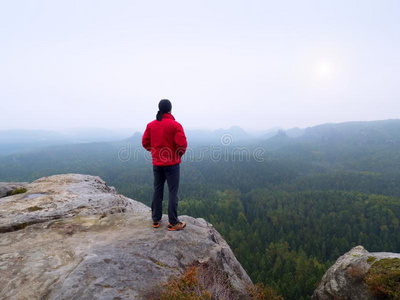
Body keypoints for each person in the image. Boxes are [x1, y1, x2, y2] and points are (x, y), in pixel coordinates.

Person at [142, 99, 188, 231]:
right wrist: (177, 155)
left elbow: (145, 142)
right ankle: (173, 222)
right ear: (170, 110)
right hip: (172, 164)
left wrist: (155, 152)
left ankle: (156, 219)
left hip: (157, 164)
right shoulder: (175, 125)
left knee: (157, 189)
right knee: (173, 192)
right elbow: (182, 145)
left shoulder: (151, 125)